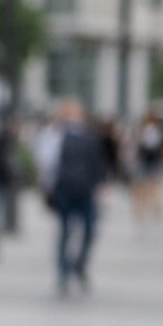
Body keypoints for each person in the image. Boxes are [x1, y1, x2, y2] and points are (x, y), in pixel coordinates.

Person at [44, 98, 107, 294]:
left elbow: (98, 163)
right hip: (64, 189)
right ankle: (63, 272)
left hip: (86, 190)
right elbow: (48, 163)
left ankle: (79, 265)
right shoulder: (56, 135)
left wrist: (100, 186)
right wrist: (48, 187)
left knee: (89, 231)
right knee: (64, 232)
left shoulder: (90, 136)